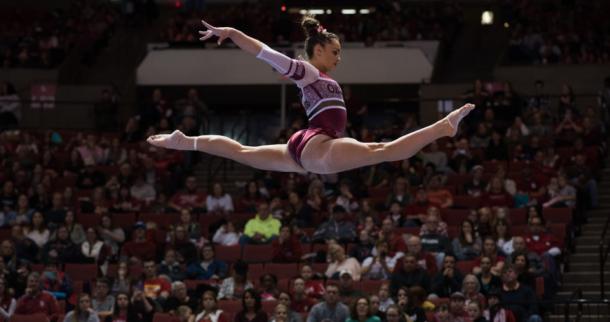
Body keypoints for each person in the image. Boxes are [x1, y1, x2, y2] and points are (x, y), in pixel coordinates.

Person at [147, 17, 475, 175]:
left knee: (242, 150)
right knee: (382, 150)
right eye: (334, 51)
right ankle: (444, 127)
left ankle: (187, 141)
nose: (338, 57)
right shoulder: (309, 72)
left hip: (304, 147)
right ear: (317, 49)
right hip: (319, 145)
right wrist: (233, 34)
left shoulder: (321, 76)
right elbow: (266, 53)